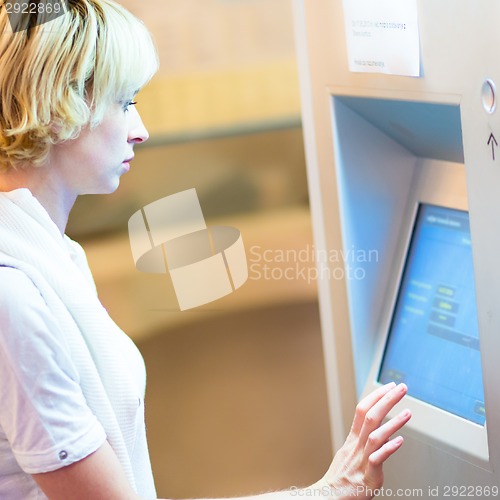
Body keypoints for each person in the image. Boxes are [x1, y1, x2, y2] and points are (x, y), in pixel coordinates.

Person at [0, 1, 412, 498]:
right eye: (125, 102)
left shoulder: (48, 253)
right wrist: (329, 490)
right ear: (58, 107)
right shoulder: (15, 294)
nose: (141, 129)